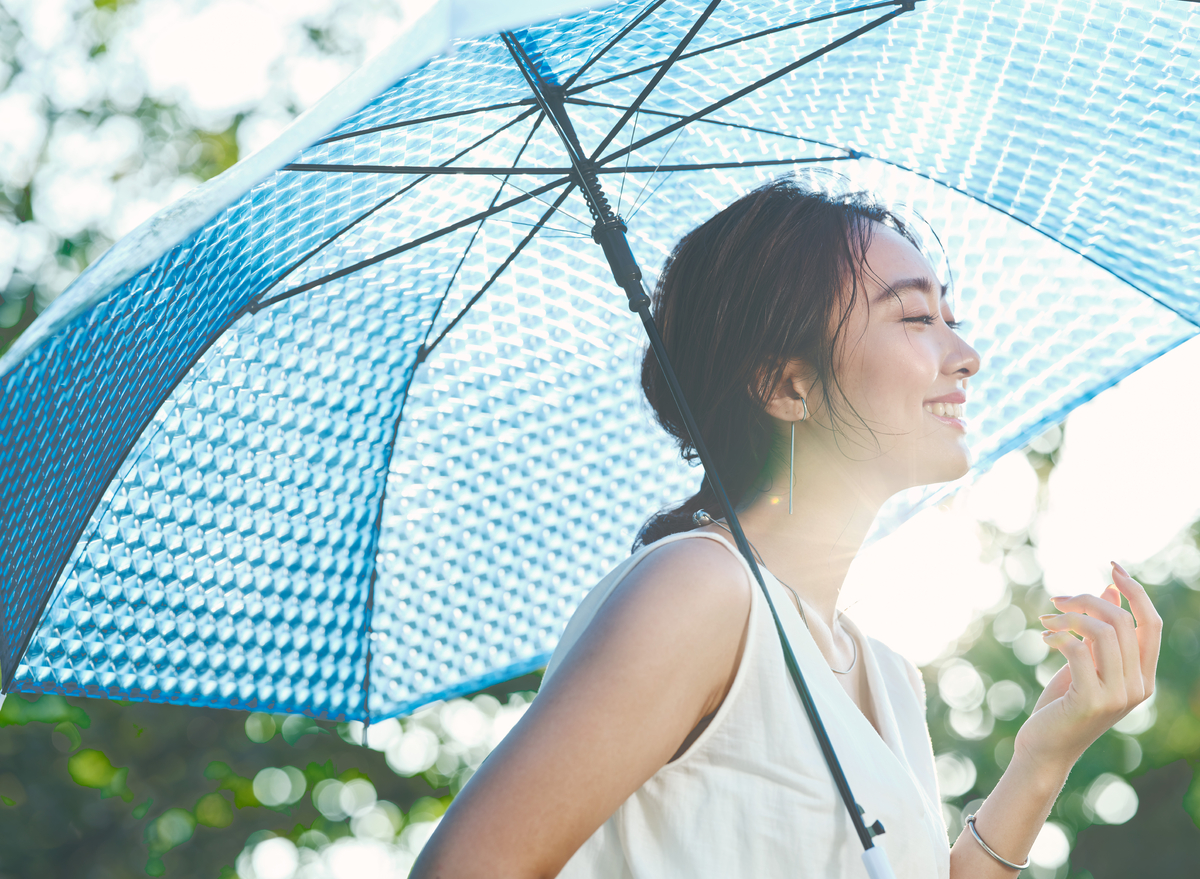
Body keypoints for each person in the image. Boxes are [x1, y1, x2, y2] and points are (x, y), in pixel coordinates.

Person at [410, 178, 1161, 878]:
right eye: (914, 318)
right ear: (786, 384)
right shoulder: (701, 590)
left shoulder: (888, 676)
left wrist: (1040, 760)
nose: (966, 356)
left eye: (952, 320)